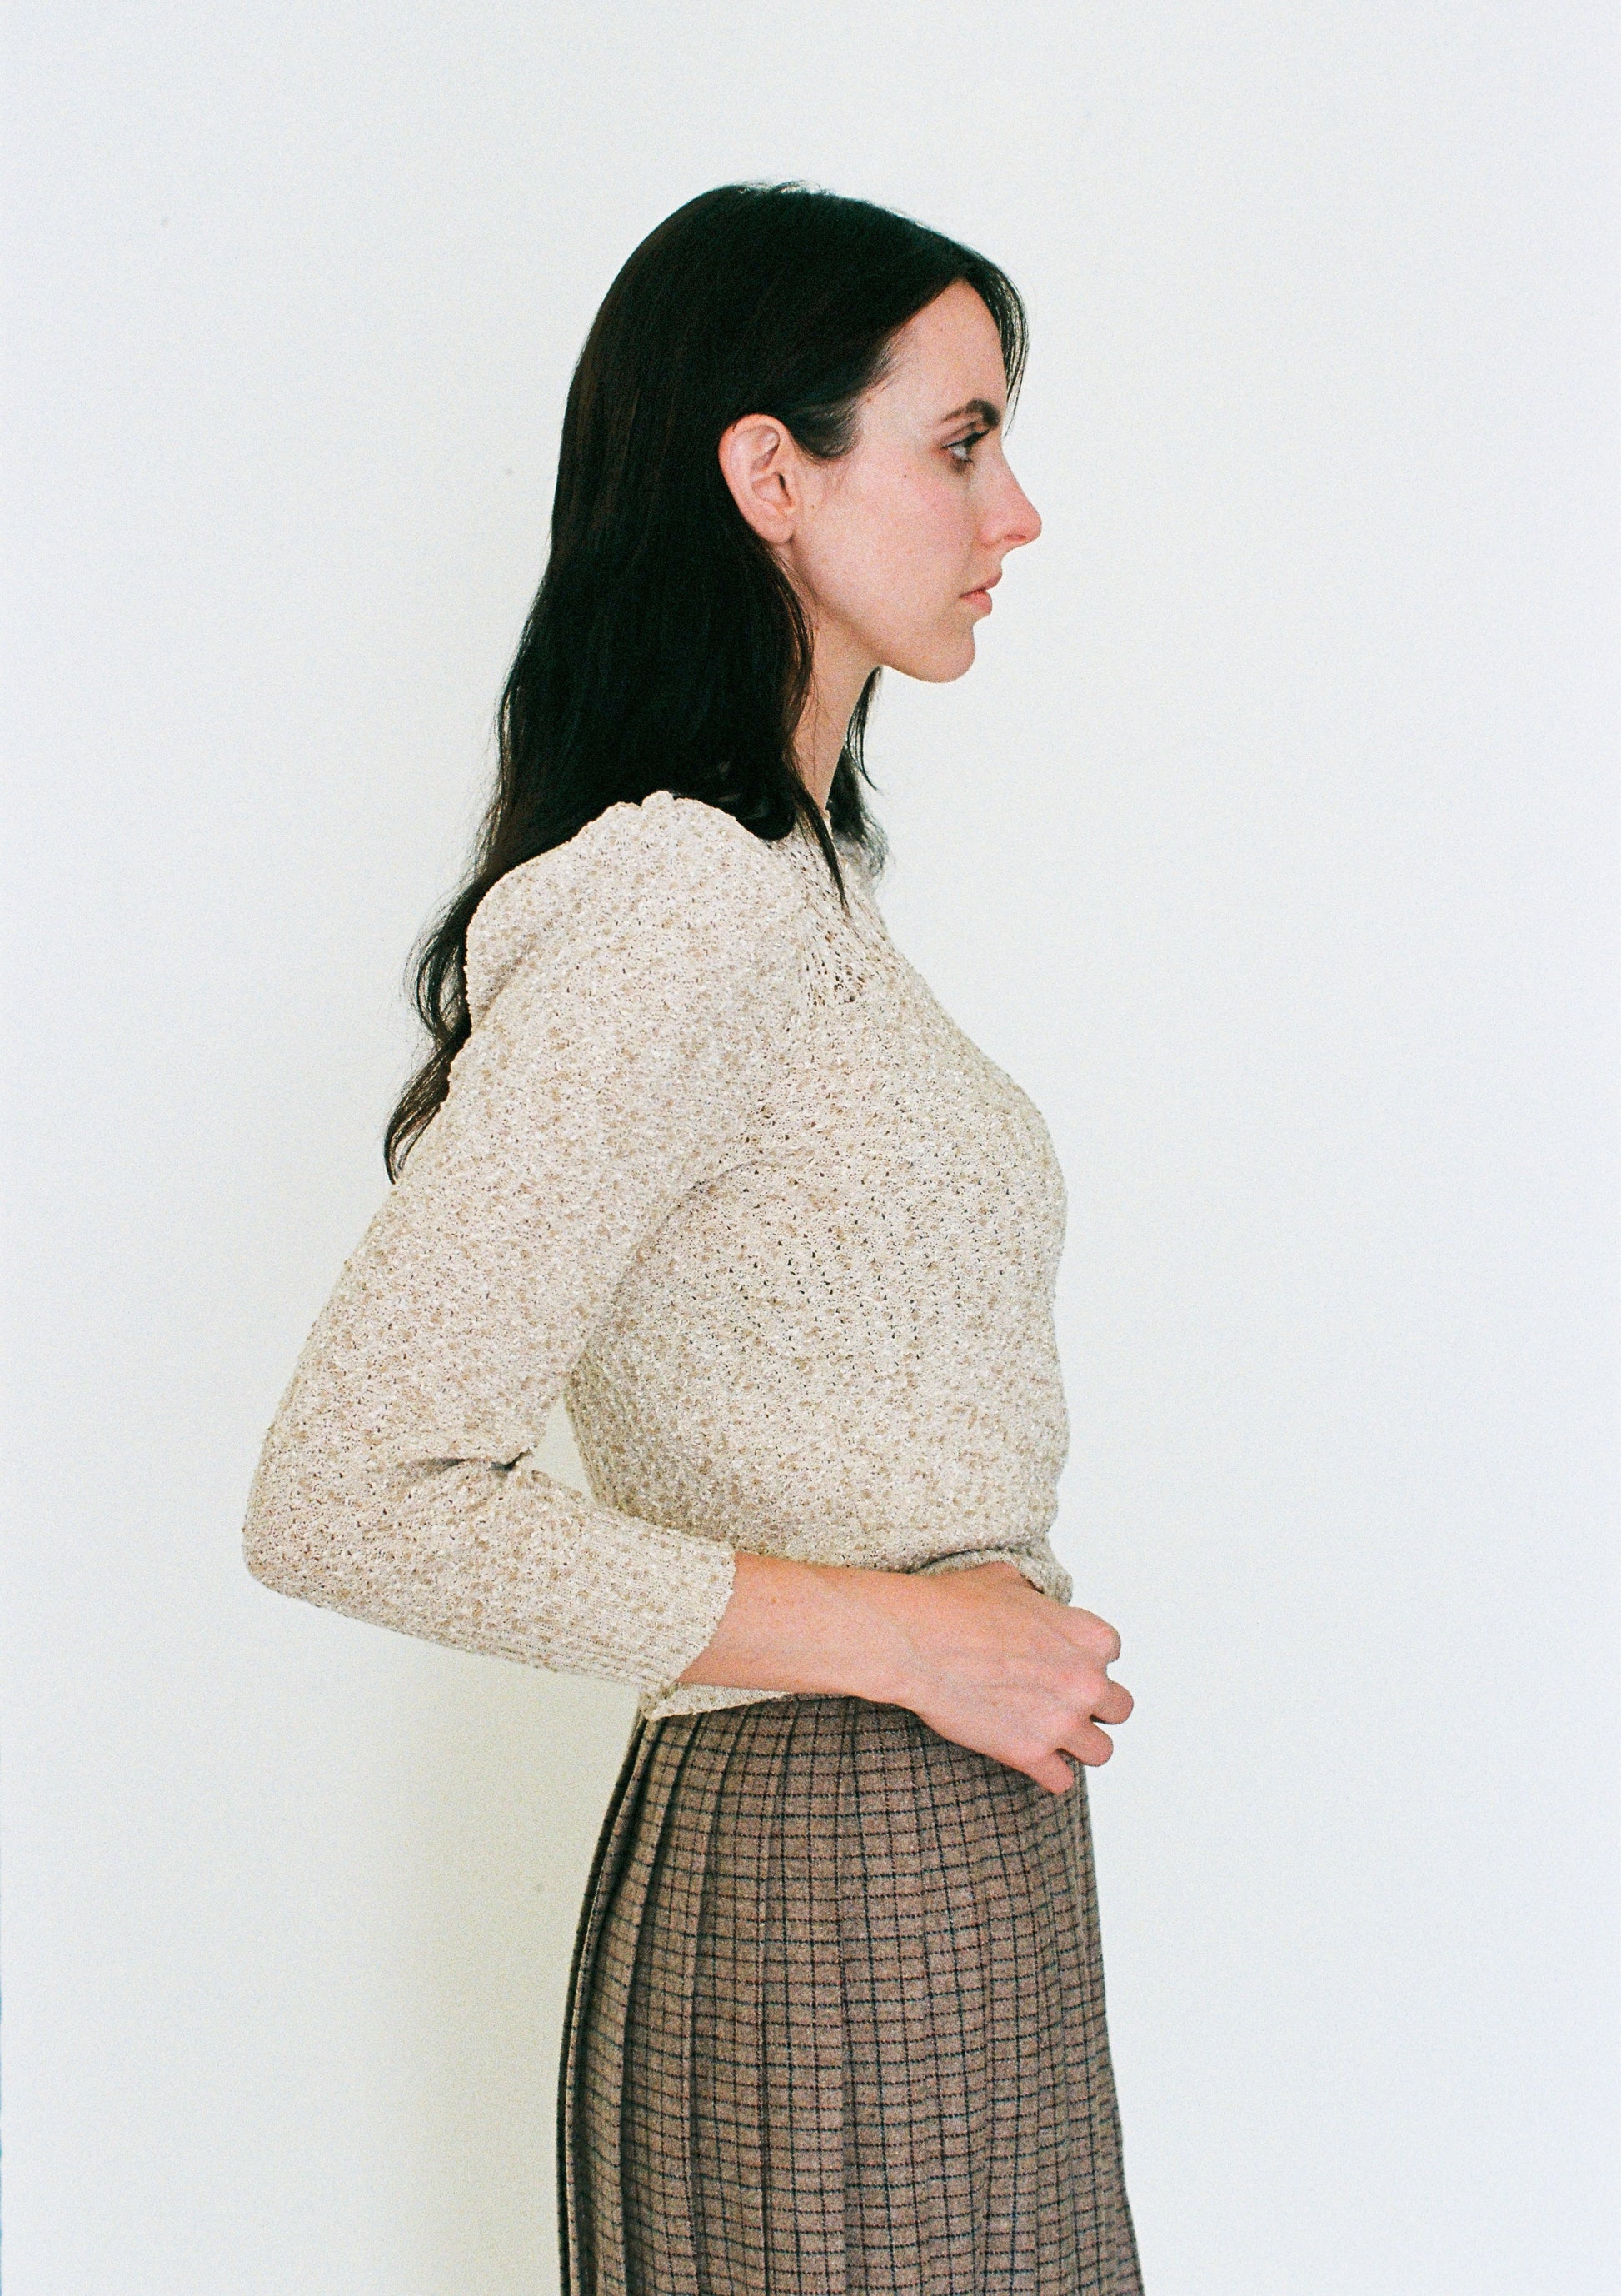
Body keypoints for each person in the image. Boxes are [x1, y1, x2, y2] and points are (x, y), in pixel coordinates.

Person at [242, 179, 1143, 2294]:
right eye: (958, 443)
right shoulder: (682, 901)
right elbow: (344, 1494)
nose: (1013, 513)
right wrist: (912, 1637)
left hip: (946, 1864)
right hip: (830, 1874)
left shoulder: (802, 892)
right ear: (768, 473)